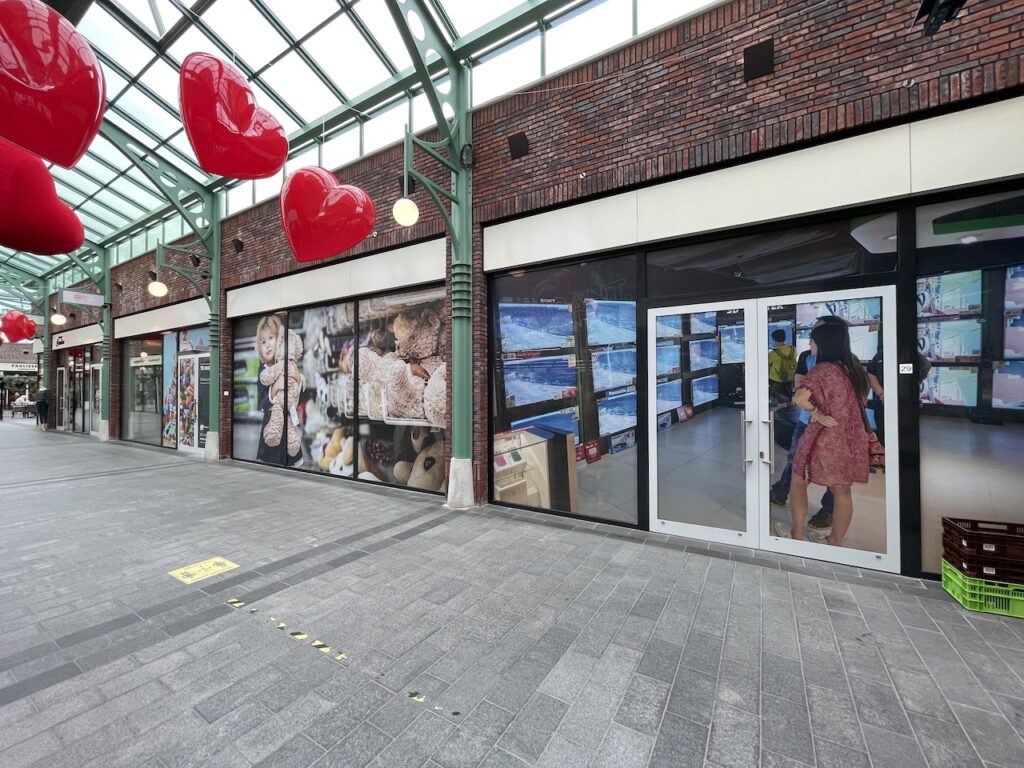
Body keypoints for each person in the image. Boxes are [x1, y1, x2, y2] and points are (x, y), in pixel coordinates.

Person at [775, 321, 870, 545]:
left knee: (798, 481)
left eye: (812, 340)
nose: (810, 343)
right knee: (842, 491)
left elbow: (799, 398)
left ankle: (796, 534)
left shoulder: (822, 370)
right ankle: (834, 541)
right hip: (850, 437)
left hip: (823, 437)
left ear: (824, 343)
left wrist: (816, 413)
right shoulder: (854, 369)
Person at [769, 316, 848, 530]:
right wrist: (814, 409)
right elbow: (799, 386)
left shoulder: (847, 364)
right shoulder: (806, 356)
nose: (811, 337)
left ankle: (828, 510)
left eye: (816, 332)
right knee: (795, 461)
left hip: (833, 426)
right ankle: (780, 493)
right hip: (806, 421)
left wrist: (818, 410)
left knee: (832, 470)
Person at [255, 315, 302, 467]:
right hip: (272, 429)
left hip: (289, 426)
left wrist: (298, 378)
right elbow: (262, 402)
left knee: (292, 462)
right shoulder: (263, 370)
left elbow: (298, 396)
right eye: (263, 342)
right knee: (272, 468)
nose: (267, 345)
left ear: (280, 340)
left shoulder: (289, 364)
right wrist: (275, 388)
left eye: (271, 338)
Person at [767, 328, 797, 404]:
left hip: (777, 380)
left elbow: (767, 365)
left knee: (778, 402)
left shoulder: (773, 353)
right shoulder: (793, 349)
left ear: (774, 340)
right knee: (789, 398)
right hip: (790, 378)